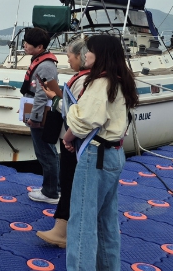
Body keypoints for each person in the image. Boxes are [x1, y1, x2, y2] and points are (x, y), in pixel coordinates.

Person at [63, 34, 138, 271]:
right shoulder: (121, 81)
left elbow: (83, 121)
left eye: (90, 50)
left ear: (101, 54)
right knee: (106, 221)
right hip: (115, 154)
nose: (85, 54)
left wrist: (68, 133)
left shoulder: (100, 83)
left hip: (96, 156)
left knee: (82, 222)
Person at [37, 38, 90, 248]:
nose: (68, 59)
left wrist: (56, 100)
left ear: (81, 56)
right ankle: (67, 228)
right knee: (71, 182)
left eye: (70, 55)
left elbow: (74, 112)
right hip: (76, 140)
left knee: (69, 181)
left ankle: (64, 231)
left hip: (74, 141)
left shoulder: (83, 81)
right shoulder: (87, 79)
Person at [20, 27, 62, 204]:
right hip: (38, 111)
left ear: (40, 47)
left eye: (28, 43)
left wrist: (35, 117)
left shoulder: (45, 66)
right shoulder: (41, 62)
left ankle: (51, 192)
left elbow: (42, 94)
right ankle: (52, 187)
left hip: (42, 116)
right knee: (46, 152)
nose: (25, 45)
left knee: (45, 153)